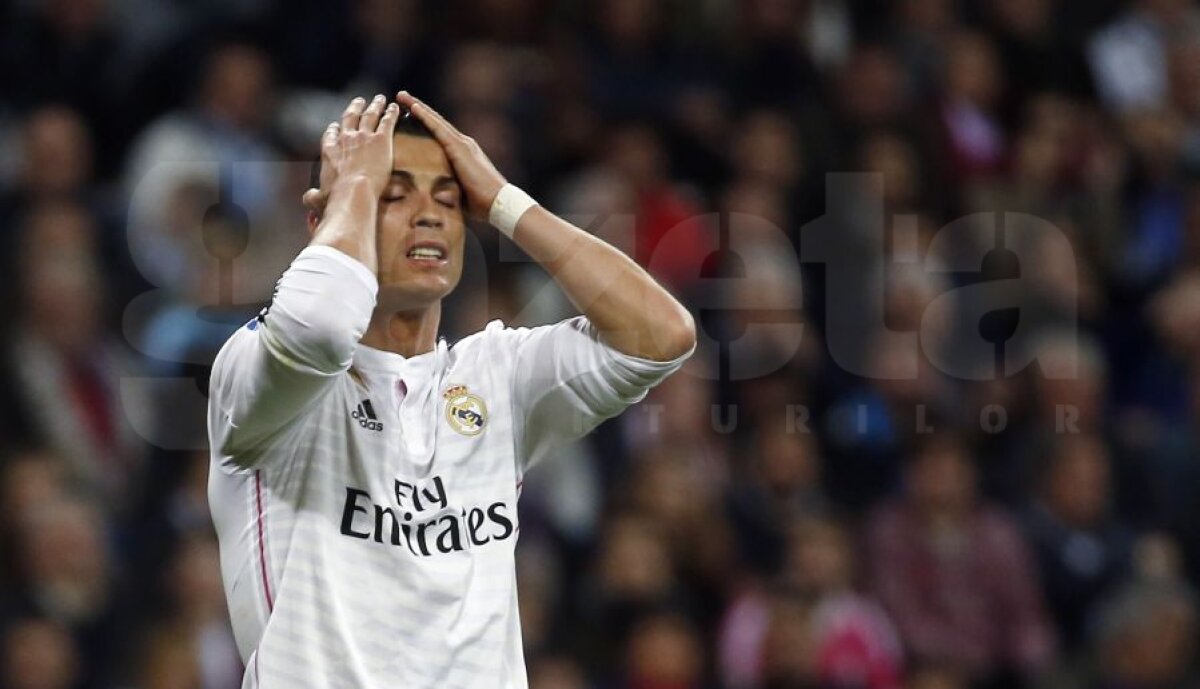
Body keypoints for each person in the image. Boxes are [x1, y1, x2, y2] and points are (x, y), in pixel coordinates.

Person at [206, 91, 696, 688]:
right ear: (323, 220)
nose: (430, 215)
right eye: (392, 194)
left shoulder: (497, 375)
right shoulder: (258, 373)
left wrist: (505, 202)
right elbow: (321, 327)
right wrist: (353, 186)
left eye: (448, 198)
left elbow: (661, 335)